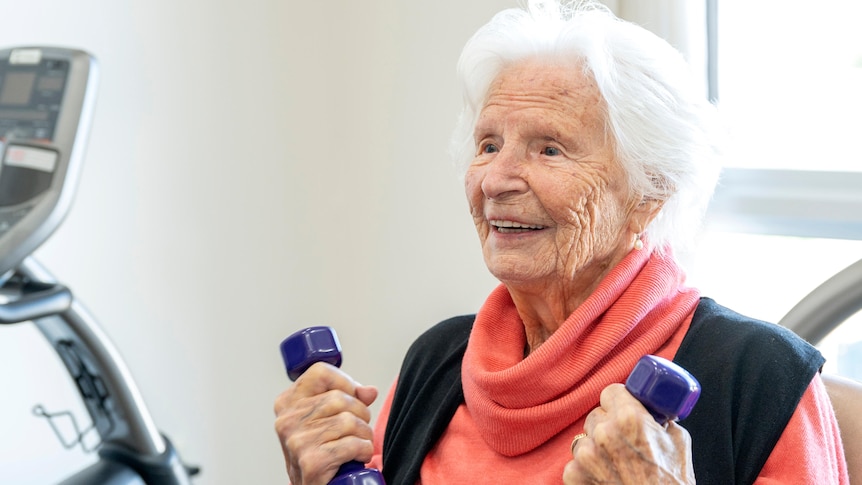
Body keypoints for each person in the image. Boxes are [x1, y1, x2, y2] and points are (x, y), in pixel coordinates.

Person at [273, 1, 850, 483]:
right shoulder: (435, 365)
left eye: (549, 148)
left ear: (650, 190)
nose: (497, 180)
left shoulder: (758, 380)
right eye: (489, 144)